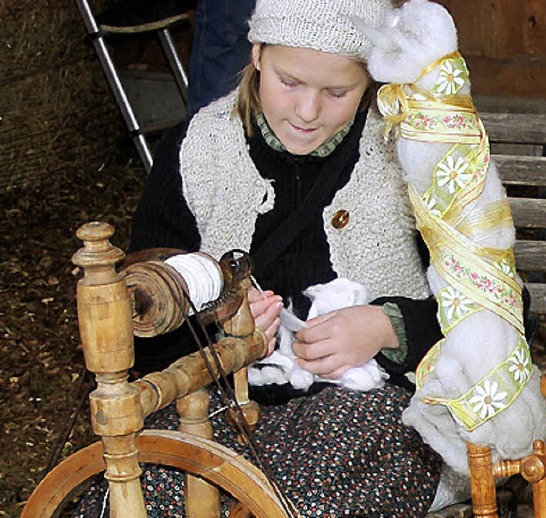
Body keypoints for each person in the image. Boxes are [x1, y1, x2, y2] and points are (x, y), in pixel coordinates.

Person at [74, 0, 519, 514]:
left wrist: (391, 327)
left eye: (337, 92)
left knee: (304, 485)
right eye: (290, 82)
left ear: (371, 81)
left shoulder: (413, 155)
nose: (308, 113)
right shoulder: (198, 153)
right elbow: (138, 327)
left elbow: (502, 312)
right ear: (258, 53)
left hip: (374, 415)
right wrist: (217, 329)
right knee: (156, 487)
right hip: (219, 410)